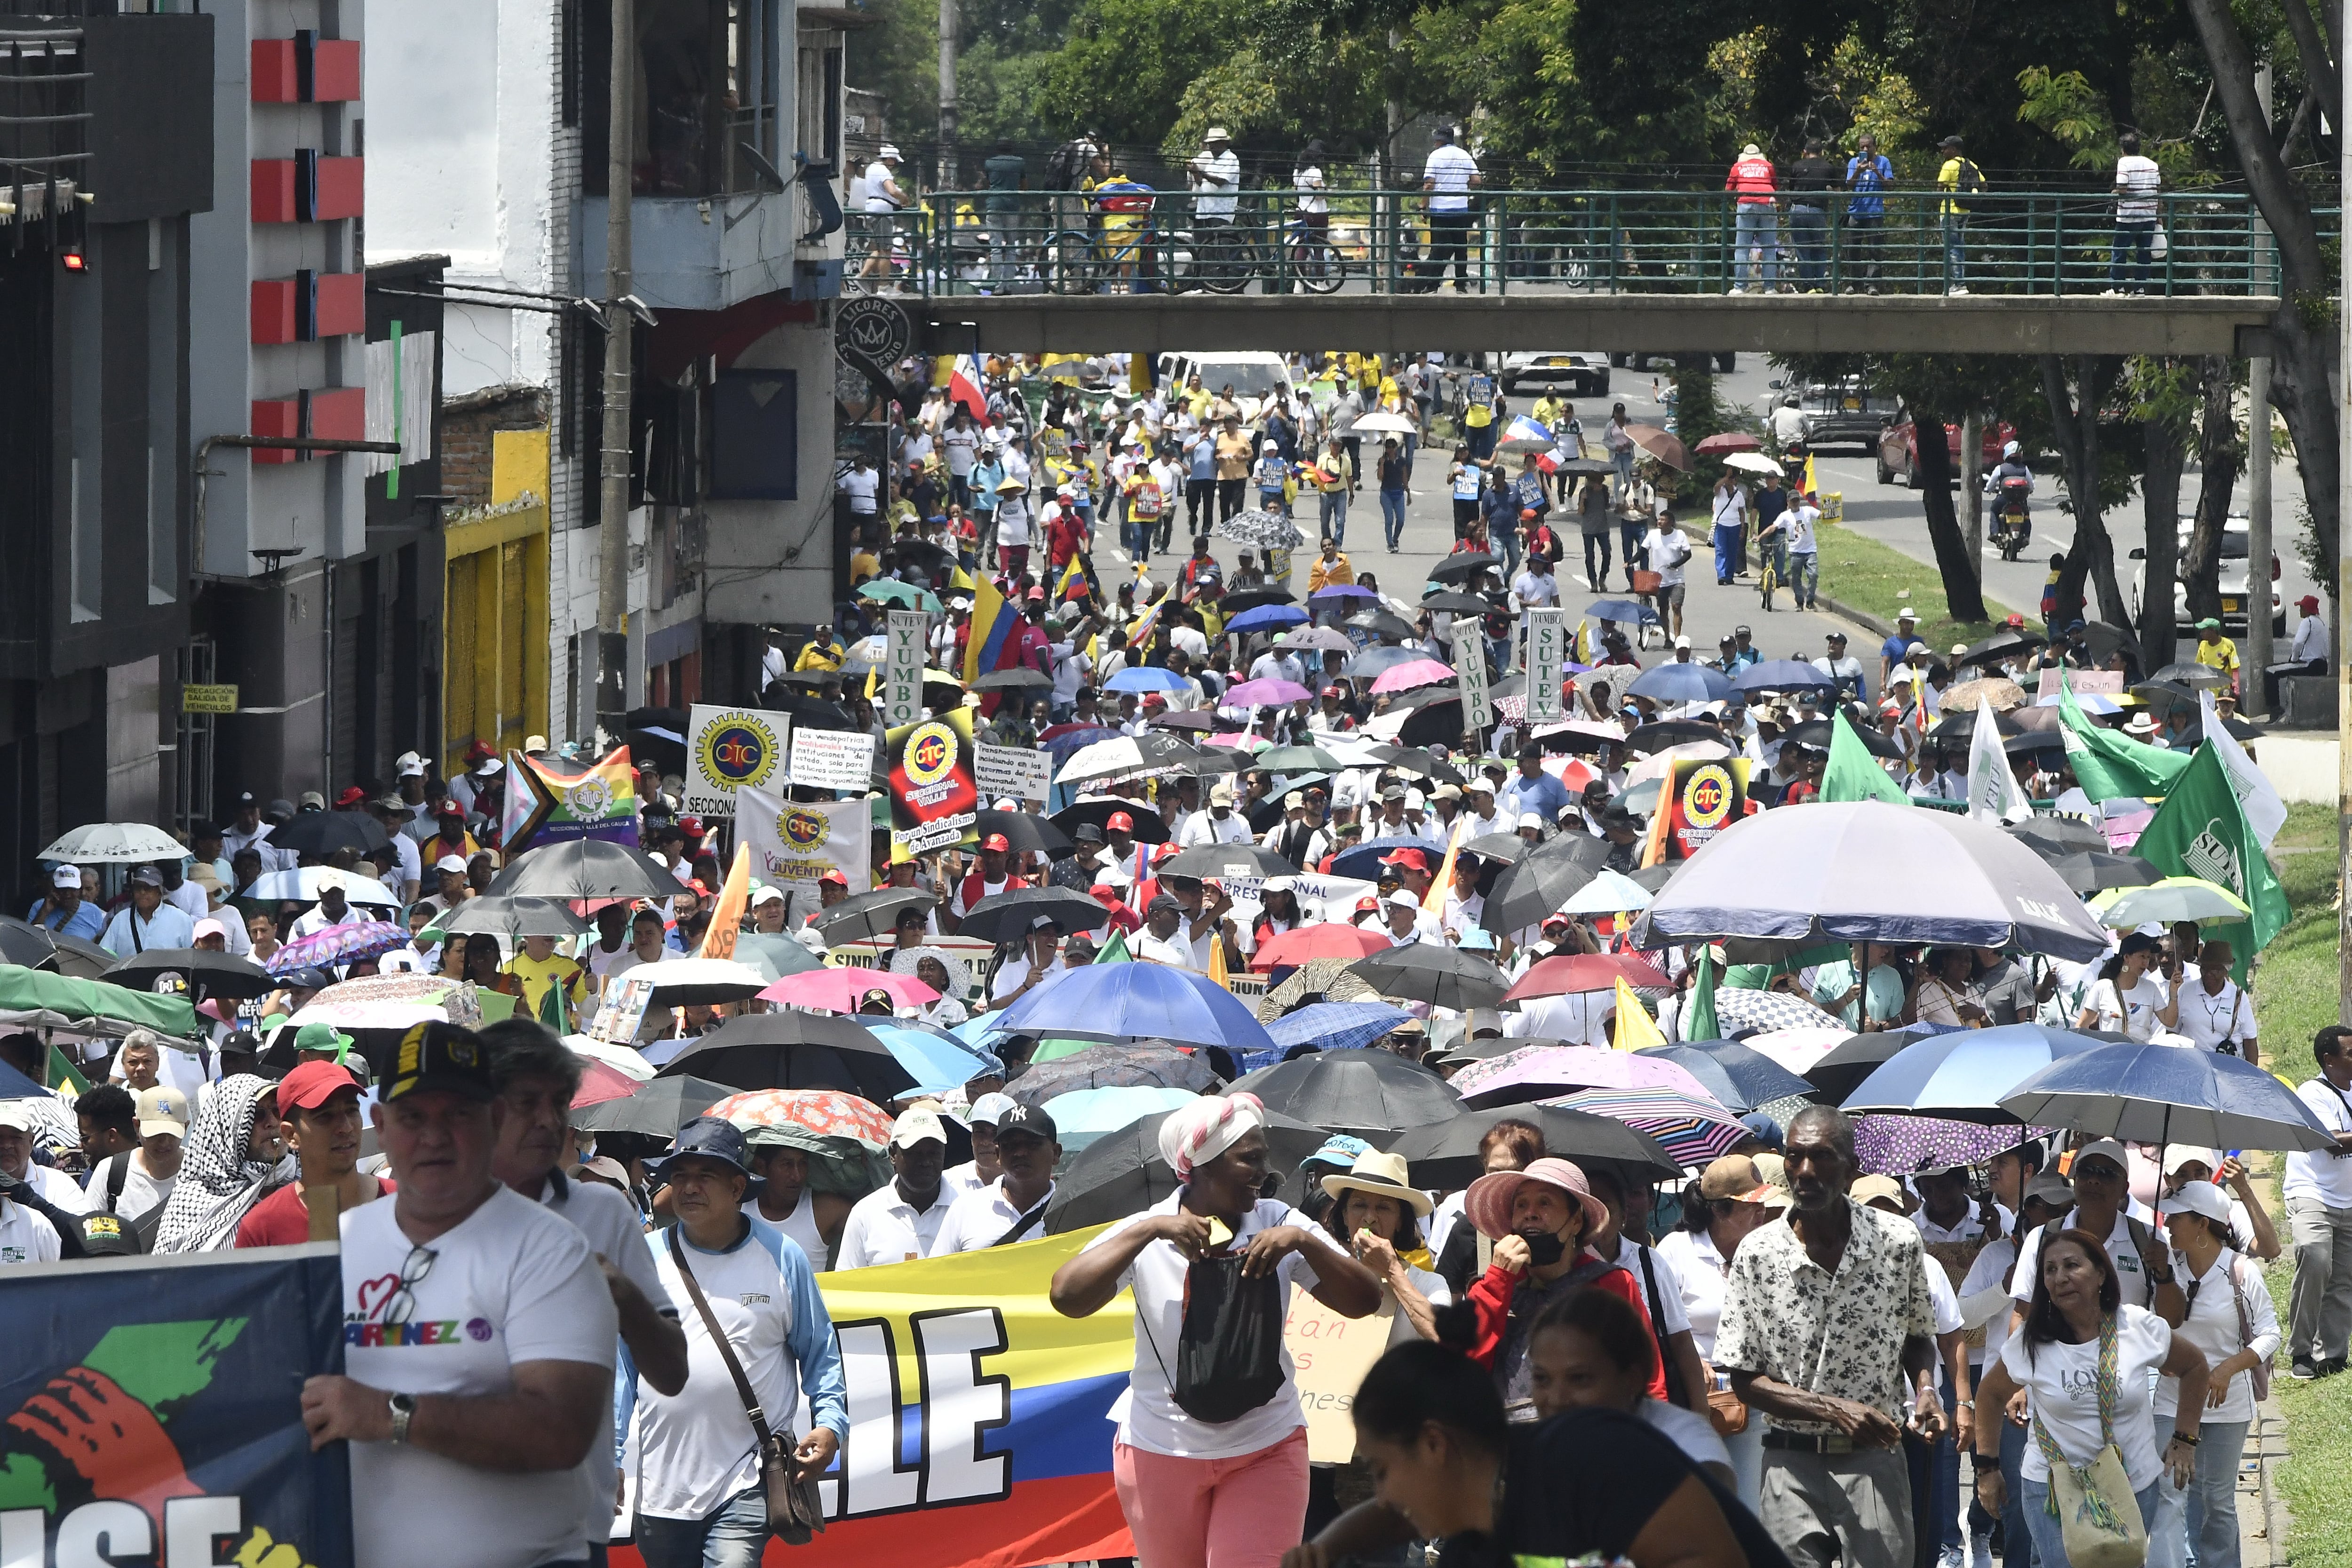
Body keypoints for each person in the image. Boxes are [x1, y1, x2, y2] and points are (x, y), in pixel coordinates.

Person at [292, 1022, 615, 1568]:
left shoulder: (553, 1251)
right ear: (382, 1126)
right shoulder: (337, 1250)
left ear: (492, 1120)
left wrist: (389, 1415)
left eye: (457, 1114)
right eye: (413, 1117)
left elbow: (559, 1432)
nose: (434, 1136)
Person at [1051, 1095, 1379, 1568]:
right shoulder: (1147, 1230)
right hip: (1161, 1449)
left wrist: (1306, 1243)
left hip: (1266, 1446)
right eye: (1249, 1158)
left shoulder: (1280, 1223)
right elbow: (1067, 1297)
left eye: (1263, 1157)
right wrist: (1147, 1232)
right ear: (1202, 1165)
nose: (1264, 1172)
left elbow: (1364, 1302)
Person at [1286, 1339, 1788, 1568]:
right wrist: (1323, 1550)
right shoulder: (1471, 1543)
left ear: (1435, 1444)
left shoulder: (1592, 1457)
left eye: (1381, 1470)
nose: (1381, 1494)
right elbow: (1394, 1516)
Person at [1713, 1107, 1946, 1568]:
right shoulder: (1757, 1255)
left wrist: (1925, 1392)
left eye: (1819, 1157)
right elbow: (1743, 1380)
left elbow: (1917, 1337)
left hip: (1873, 1461)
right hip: (1788, 1464)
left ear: (1849, 1164)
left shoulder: (1896, 1241)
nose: (1803, 1171)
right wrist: (1833, 1409)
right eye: (1793, 1156)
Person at [630, 1117, 849, 1568]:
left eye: (704, 1176)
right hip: (663, 1488)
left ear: (736, 1187)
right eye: (679, 1176)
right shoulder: (643, 1259)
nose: (689, 1188)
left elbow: (821, 1354)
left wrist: (832, 1425)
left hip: (748, 1477)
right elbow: (619, 1367)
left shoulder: (784, 1257)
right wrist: (608, 1451)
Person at [1971, 1230, 2210, 1568]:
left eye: (2072, 1265)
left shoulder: (2137, 1326)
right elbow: (1990, 1394)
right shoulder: (2031, 1340)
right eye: (2050, 1270)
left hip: (2131, 1483)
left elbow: (2195, 1365)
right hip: (2054, 1488)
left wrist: (2185, 1438)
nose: (2060, 1277)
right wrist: (1987, 1469)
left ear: (2101, 1274)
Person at [1461, 1156, 1667, 1421]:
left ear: (1576, 1222)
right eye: (1521, 1204)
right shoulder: (1494, 1285)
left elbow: (1648, 1379)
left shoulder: (1609, 1284)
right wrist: (1498, 1281)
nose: (1530, 1213)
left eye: (1545, 1203)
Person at [2149, 1178, 2277, 1568]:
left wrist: (2226, 1369)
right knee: (2170, 1491)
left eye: (2177, 1217)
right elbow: (2151, 1326)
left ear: (2202, 1223)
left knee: (2215, 1500)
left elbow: (2271, 1332)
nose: (2167, 1223)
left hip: (2226, 1406)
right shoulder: (2167, 1268)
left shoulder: (2241, 1271)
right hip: (2171, 1399)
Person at [1530, 1285, 1735, 1488]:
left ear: (1632, 1380)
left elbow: (1710, 1490)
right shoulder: (1528, 1457)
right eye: (1542, 1379)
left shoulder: (1685, 1443)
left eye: (1579, 1379)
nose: (1556, 1399)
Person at [234, 1059, 395, 1246]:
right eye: (325, 1116)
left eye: (352, 1111)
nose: (346, 1127)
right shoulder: (262, 1229)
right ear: (290, 1135)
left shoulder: (405, 1206)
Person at [153, 1074, 293, 1252]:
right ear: (227, 1129)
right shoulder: (194, 1199)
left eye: (277, 1111)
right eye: (257, 1115)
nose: (272, 1123)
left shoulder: (304, 1183)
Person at [2282, 1023, 2352, 1379]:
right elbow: (2333, 1140)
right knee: (2315, 1257)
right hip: (2312, 1193)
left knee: (2342, 1277)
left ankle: (2334, 1355)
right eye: (2351, 1052)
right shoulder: (2312, 1093)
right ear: (2330, 1060)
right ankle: (2301, 1350)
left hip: (2349, 1200)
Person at [834, 1105, 955, 1267]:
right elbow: (847, 1285)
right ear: (893, 1155)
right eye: (914, 1153)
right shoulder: (865, 1215)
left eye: (934, 1153)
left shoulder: (965, 1210)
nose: (926, 1162)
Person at [932, 1101, 1061, 1253]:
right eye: (1010, 1145)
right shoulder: (965, 1209)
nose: (1020, 1153)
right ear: (998, 1154)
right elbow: (936, 1273)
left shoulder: (1070, 1211)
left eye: (1032, 1144)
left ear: (1056, 1153)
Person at [2074, 931, 2181, 1042]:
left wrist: (2173, 995)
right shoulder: (2102, 987)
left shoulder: (2151, 988)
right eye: (2142, 956)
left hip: (2140, 1053)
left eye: (2148, 957)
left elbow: (2169, 1022)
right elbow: (2082, 1026)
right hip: (2110, 1053)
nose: (2146, 963)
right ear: (2127, 957)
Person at [1420, 125, 1481, 291]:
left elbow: (1429, 185)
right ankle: (1461, 284)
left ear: (1440, 140)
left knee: (1438, 249)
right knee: (1461, 249)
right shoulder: (1464, 155)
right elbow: (1476, 180)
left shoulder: (1435, 156)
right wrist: (1462, 184)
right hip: (1460, 210)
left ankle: (1433, 284)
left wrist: (1423, 206)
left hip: (1440, 211)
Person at [99, 866, 197, 955]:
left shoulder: (181, 919)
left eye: (148, 888)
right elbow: (105, 954)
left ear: (160, 892)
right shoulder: (121, 919)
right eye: (138, 887)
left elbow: (192, 957)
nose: (142, 892)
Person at [2110, 131, 2162, 294]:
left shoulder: (2124, 163)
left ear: (2123, 149)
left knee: (2120, 251)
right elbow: (2158, 192)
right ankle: (2140, 288)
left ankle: (2118, 287)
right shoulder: (2153, 165)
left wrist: (2114, 192)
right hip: (2149, 216)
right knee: (2144, 253)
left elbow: (2123, 188)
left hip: (2128, 216)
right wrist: (2159, 218)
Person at [1724, 142, 1778, 293]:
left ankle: (1740, 287)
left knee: (1742, 248)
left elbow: (1728, 190)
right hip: (1768, 203)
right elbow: (1775, 186)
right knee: (1769, 249)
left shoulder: (1738, 166)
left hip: (1745, 204)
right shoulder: (1768, 166)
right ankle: (1770, 289)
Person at [1933, 135, 1979, 295]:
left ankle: (1958, 284)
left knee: (1952, 248)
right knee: (1959, 247)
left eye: (1946, 148)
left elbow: (1940, 189)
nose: (1943, 151)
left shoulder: (1949, 165)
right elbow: (1984, 185)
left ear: (1954, 149)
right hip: (1965, 212)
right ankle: (1960, 282)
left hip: (1950, 211)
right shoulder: (1971, 164)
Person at [1640, 509, 1692, 641]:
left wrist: (1676, 564)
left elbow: (1688, 554)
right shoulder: (1653, 535)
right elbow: (1643, 551)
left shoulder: (1679, 535)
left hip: (1677, 579)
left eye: (1663, 520)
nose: (1660, 522)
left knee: (1676, 606)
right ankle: (1668, 638)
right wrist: (1630, 562)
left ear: (1671, 523)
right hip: (1660, 580)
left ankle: (1678, 639)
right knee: (1663, 610)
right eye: (1659, 519)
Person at [24, 862, 102, 939]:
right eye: (63, 890)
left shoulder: (93, 911)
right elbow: (30, 939)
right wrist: (44, 912)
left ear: (79, 891)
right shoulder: (39, 906)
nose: (68, 894)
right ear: (54, 889)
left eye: (72, 890)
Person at [1710, 474, 1749, 585]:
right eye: (1729, 479)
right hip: (1721, 525)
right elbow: (1716, 487)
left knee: (1732, 551)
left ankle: (1729, 575)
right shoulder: (1720, 492)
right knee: (1721, 550)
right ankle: (1721, 575)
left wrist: (1742, 526)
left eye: (1733, 479)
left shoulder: (1739, 495)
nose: (1730, 481)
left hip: (1735, 525)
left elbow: (1742, 511)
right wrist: (1726, 477)